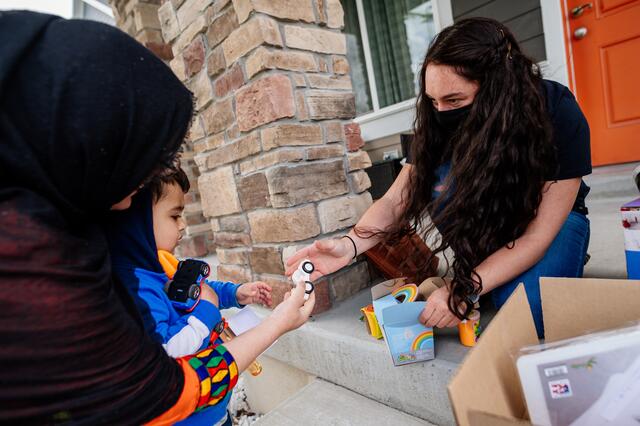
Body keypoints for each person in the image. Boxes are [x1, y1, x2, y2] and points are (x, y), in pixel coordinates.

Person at [0, 11, 314, 425]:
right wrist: (276, 324)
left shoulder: (71, 227)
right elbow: (162, 392)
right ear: (87, 142)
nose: (134, 194)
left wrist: (229, 297)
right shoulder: (29, 272)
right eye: (138, 159)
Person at [286, 18, 591, 339]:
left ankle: (545, 258)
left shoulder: (557, 112)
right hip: (491, 221)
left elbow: (536, 238)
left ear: (498, 87)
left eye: (454, 100)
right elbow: (395, 199)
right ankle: (488, 264)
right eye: (433, 101)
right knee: (437, 181)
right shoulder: (439, 119)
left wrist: (466, 284)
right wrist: (350, 245)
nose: (442, 111)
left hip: (548, 223)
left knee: (530, 312)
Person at [107, 167, 272, 359]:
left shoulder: (159, 263)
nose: (183, 225)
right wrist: (206, 311)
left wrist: (235, 293)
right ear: (137, 222)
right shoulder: (135, 289)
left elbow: (198, 291)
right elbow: (167, 351)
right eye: (174, 216)